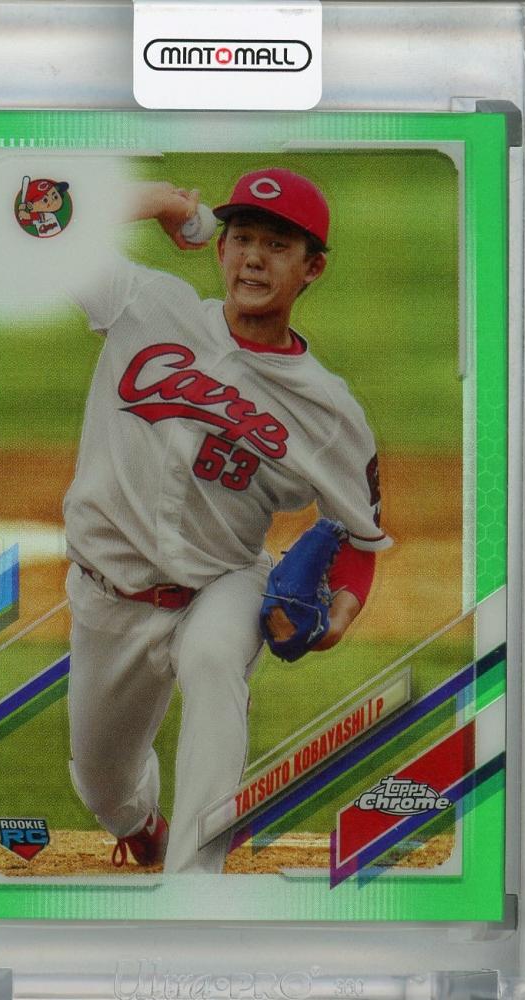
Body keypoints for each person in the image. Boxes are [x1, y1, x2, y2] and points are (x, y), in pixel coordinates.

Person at [64, 168, 391, 874]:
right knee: (103, 785)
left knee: (214, 661)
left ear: (312, 268)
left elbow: (359, 538)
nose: (254, 259)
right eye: (242, 238)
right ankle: (140, 823)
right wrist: (161, 202)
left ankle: (195, 884)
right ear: (219, 249)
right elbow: (41, 222)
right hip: (106, 595)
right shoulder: (146, 303)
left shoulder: (328, 410)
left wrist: (338, 615)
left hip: (223, 583)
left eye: (278, 245)